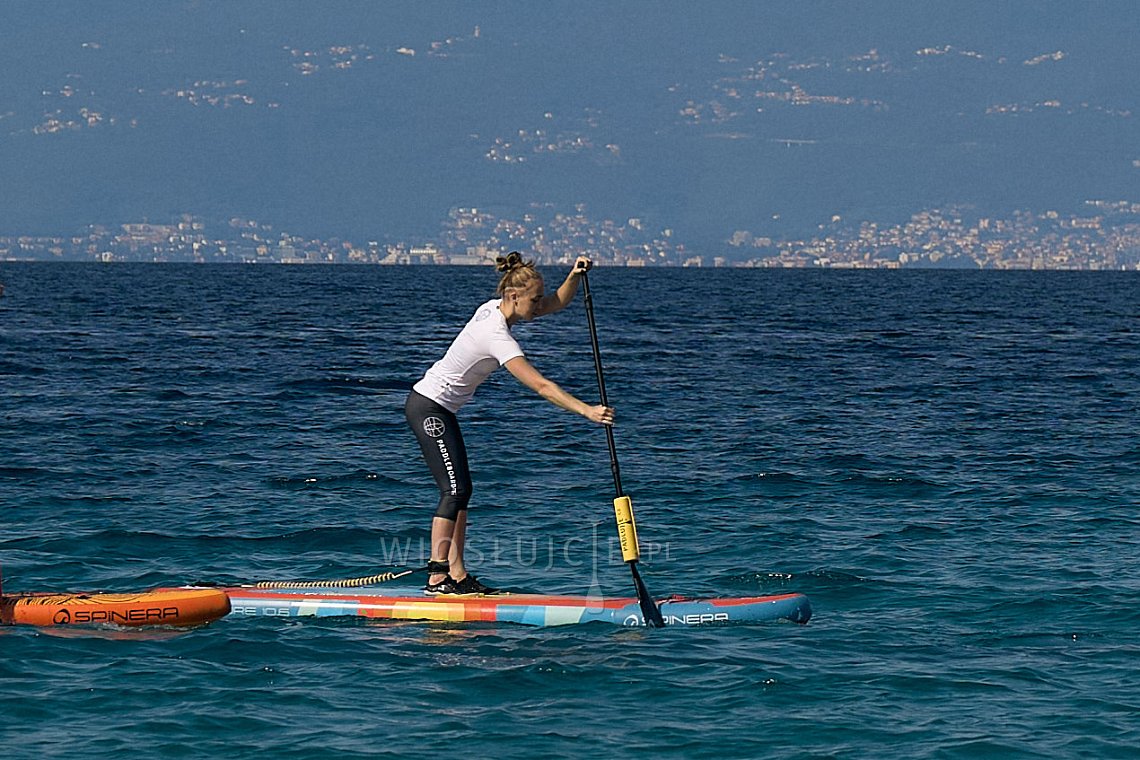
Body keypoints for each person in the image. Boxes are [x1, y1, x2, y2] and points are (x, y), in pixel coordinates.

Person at [405, 252, 614, 595]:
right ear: (514, 297)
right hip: (428, 407)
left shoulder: (495, 307)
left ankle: (457, 577)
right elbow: (541, 386)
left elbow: (556, 303)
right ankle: (437, 577)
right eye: (533, 299)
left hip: (441, 409)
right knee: (453, 491)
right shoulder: (496, 335)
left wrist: (574, 275)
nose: (538, 306)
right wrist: (586, 410)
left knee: (462, 490)